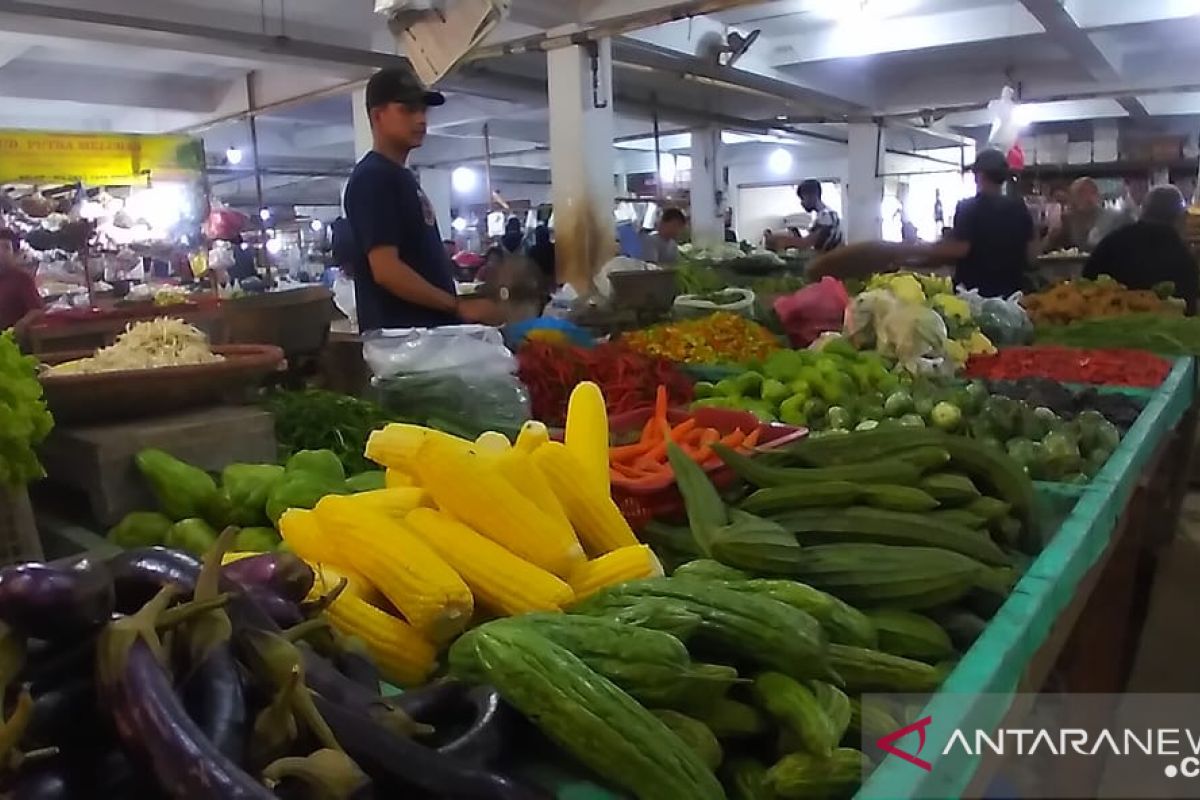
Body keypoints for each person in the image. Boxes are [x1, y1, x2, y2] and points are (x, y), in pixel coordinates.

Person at [342, 68, 500, 330]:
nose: (420, 119)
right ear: (378, 116)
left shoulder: (399, 177)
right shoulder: (373, 178)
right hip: (404, 344)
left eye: (423, 110)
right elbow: (386, 270)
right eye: (408, 110)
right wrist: (456, 305)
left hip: (424, 338)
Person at [905, 149, 1038, 297]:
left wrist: (909, 255)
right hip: (1012, 299)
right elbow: (1032, 256)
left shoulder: (968, 208)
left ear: (979, 176)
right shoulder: (1019, 208)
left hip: (974, 300)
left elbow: (958, 250)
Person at [1083, 185, 1198, 315]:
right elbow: (1190, 307)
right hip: (1164, 331)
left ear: (1142, 211)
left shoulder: (1113, 240)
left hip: (1104, 325)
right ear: (1180, 218)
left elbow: (1085, 283)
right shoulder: (1181, 254)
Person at [1046, 177, 1131, 252]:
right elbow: (1048, 248)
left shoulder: (1115, 219)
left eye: (1083, 193)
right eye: (1077, 195)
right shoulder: (1070, 221)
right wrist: (1053, 236)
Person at [770, 180, 844, 252]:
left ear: (812, 195)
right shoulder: (823, 216)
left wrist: (780, 239)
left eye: (803, 198)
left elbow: (806, 243)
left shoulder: (827, 217)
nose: (802, 203)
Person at [0, 229, 42, 332]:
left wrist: (23, 323)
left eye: (6, 247)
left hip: (11, 341)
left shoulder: (22, 279)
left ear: (15, 254)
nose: (0, 252)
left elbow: (37, 310)